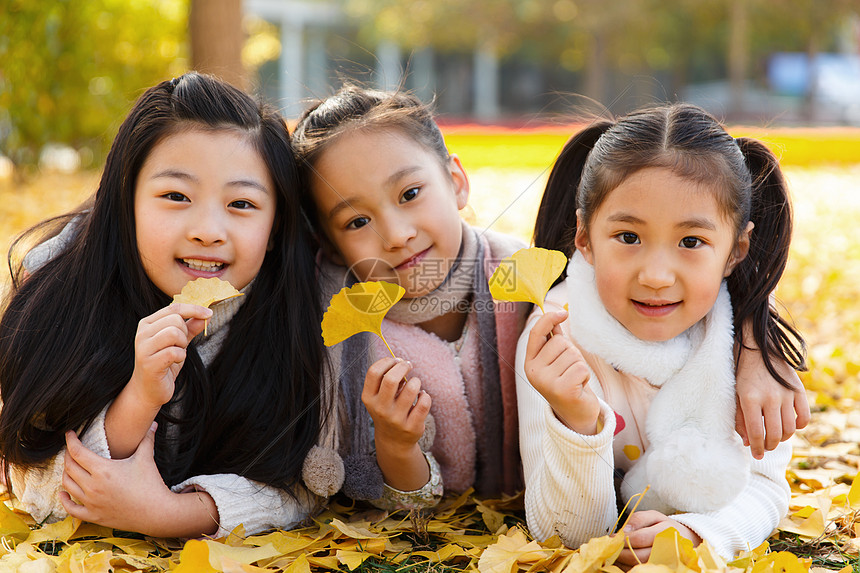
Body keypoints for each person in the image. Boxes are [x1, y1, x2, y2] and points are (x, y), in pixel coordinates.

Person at [0, 72, 328, 538]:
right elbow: (33, 483)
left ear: (275, 228)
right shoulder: (64, 294)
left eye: (241, 204)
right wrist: (140, 396)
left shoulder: (297, 310)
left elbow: (303, 479)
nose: (208, 230)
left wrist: (169, 515)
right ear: (124, 202)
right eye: (176, 196)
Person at [516, 104, 807, 561]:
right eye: (628, 237)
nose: (655, 275)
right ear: (585, 236)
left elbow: (766, 488)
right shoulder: (554, 341)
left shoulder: (751, 349)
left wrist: (696, 535)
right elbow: (558, 531)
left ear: (736, 250)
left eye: (691, 242)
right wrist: (575, 419)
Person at [290, 86, 526, 510]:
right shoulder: (340, 332)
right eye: (358, 221)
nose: (397, 235)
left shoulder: (527, 282)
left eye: (410, 194)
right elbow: (405, 505)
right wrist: (397, 446)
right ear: (329, 243)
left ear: (455, 182)